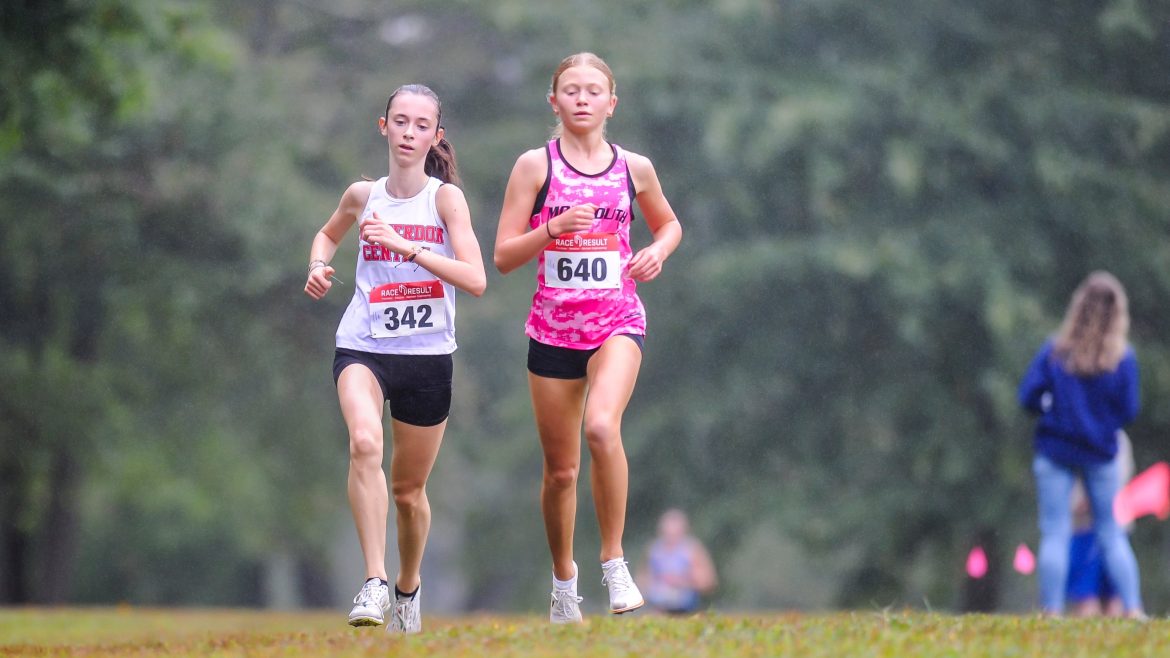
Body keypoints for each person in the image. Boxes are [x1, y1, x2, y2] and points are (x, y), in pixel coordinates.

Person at [492, 52, 683, 624]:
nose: (581, 98)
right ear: (553, 101)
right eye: (570, 89)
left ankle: (614, 562)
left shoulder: (634, 168)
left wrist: (657, 250)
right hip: (552, 332)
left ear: (610, 104)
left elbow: (670, 224)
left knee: (602, 425)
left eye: (592, 90)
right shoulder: (534, 167)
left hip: (617, 320)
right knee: (560, 471)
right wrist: (551, 228)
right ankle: (563, 583)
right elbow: (502, 256)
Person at [303, 84, 486, 633]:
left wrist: (409, 248)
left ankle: (408, 586)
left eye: (421, 124)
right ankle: (375, 581)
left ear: (436, 136)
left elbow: (475, 279)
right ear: (382, 126)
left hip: (427, 356)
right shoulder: (363, 194)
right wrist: (317, 264)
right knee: (364, 441)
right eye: (400, 122)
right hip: (364, 343)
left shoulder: (445, 200)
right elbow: (327, 234)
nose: (409, 133)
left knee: (409, 493)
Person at [1018, 271, 1144, 618]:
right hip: (1101, 454)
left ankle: (1052, 611)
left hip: (1055, 450)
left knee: (1055, 533)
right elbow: (1129, 410)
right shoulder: (1123, 359)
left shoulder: (1056, 352)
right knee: (1111, 533)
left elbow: (1028, 397)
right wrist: (1100, 423)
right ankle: (1133, 609)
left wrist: (1052, 409)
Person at [1066, 430, 1133, 617]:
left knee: (1086, 595)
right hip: (1115, 525)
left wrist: (1084, 499)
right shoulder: (1118, 435)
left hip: (1086, 527)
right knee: (1113, 594)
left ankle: (1088, 641)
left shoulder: (1074, 432)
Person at [638, 509, 717, 615]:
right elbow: (642, 580)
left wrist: (682, 581)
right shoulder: (654, 551)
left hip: (686, 606)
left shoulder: (692, 550)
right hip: (658, 605)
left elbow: (708, 582)